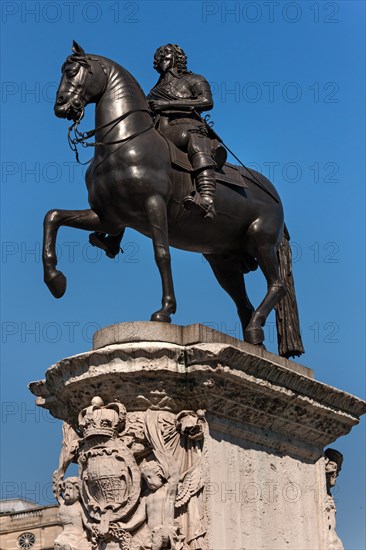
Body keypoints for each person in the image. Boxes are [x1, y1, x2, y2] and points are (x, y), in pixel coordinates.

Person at [148, 43, 218, 218]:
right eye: (159, 56)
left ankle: (207, 200)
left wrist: (169, 104)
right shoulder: (152, 93)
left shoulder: (194, 79)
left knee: (193, 138)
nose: (162, 58)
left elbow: (206, 102)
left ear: (177, 58)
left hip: (187, 126)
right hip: (160, 131)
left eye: (166, 54)